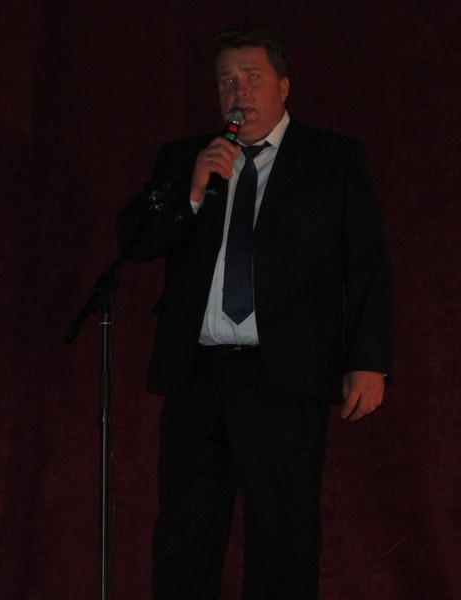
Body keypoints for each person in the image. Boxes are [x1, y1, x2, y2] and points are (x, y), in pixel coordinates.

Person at [117, 29, 392, 599]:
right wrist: (192, 192)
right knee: (184, 537)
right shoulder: (187, 158)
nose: (238, 92)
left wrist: (367, 359)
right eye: (226, 81)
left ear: (284, 86)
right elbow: (135, 244)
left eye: (252, 77)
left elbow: (367, 264)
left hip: (283, 375)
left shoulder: (332, 159)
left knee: (282, 542)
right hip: (197, 373)